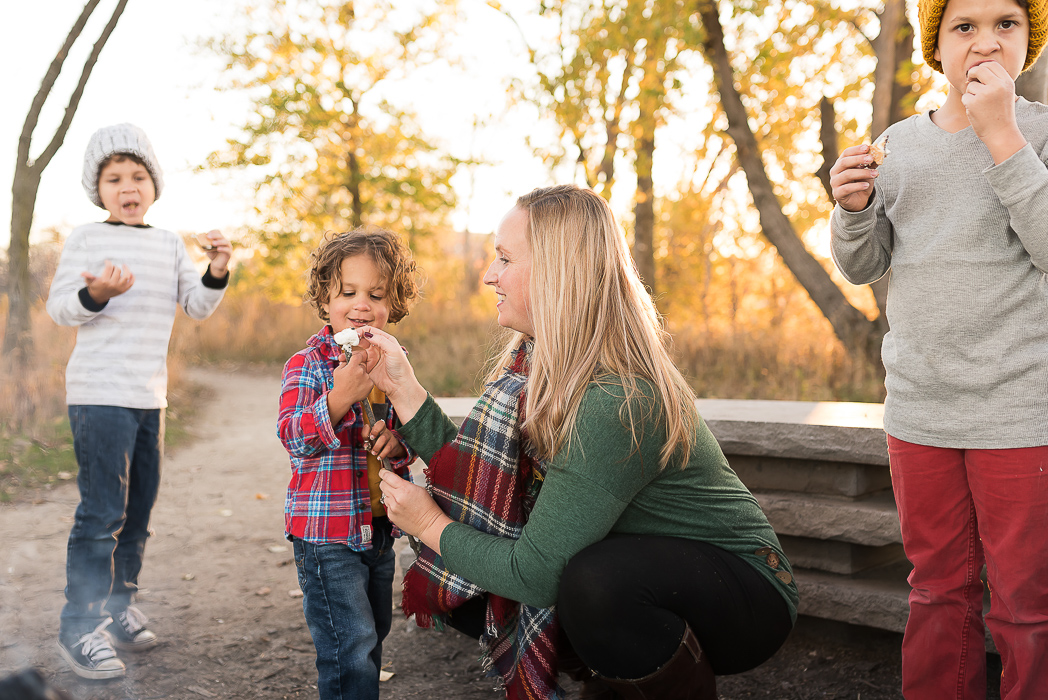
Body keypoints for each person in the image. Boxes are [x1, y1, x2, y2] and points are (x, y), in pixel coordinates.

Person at [358, 185, 798, 700]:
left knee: (594, 583)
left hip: (744, 591)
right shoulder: (538, 364)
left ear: (557, 271)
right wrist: (404, 388)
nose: (489, 275)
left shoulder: (616, 397)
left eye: (503, 258)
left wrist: (429, 523)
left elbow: (538, 575)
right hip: (644, 574)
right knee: (468, 587)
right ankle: (613, 673)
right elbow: (485, 486)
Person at [828, 0, 1048, 695]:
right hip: (920, 413)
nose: (985, 42)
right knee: (937, 594)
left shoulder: (1041, 134)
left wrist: (1003, 138)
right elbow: (863, 265)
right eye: (965, 27)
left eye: (1006, 25)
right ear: (937, 47)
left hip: (1019, 413)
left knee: (1025, 607)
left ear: (1030, 41)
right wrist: (853, 209)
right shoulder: (901, 142)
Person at [46, 123, 232, 679]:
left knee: (138, 513)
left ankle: (117, 605)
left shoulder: (168, 242)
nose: (128, 187)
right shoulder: (86, 239)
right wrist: (96, 294)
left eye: (138, 176)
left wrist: (217, 269)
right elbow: (61, 308)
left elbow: (196, 306)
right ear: (97, 189)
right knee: (102, 513)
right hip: (98, 394)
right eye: (114, 178)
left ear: (154, 184)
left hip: (149, 398)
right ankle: (78, 628)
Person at [277, 227, 420, 700]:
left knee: (374, 633)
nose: (362, 304)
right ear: (324, 299)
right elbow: (293, 437)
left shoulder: (393, 361)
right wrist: (338, 399)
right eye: (348, 292)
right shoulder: (308, 364)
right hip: (327, 534)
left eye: (376, 294)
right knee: (349, 645)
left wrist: (399, 446)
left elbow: (415, 428)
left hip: (379, 530)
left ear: (393, 303)